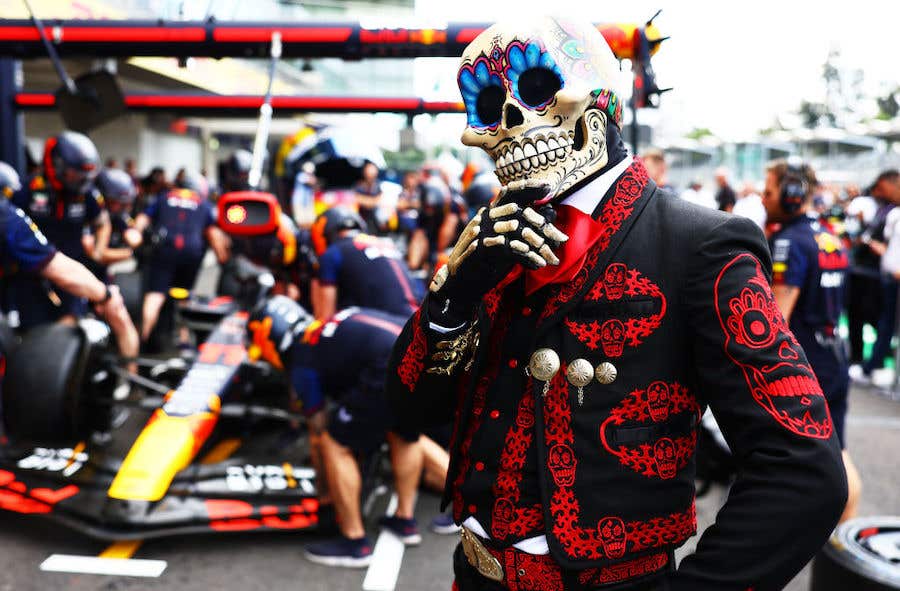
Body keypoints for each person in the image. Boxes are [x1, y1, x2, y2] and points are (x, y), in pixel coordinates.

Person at [388, 18, 845, 591]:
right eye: (487, 105)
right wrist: (454, 293)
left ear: (598, 101)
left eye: (533, 92)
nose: (508, 123)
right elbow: (406, 411)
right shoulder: (489, 237)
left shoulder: (698, 244)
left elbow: (803, 470)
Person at [243, 297, 426, 566]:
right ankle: (405, 520)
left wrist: (324, 496)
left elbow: (318, 433)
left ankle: (354, 541)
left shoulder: (303, 357)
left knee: (334, 444)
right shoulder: (333, 320)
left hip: (384, 367)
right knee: (405, 435)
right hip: (419, 353)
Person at [762, 158, 861, 523]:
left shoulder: (789, 241)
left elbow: (776, 317)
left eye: (769, 191)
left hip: (809, 367)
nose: (763, 197)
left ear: (790, 195)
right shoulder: (829, 236)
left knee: (795, 460)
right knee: (839, 451)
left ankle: (831, 538)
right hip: (835, 357)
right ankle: (842, 536)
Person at [0, 169, 133, 377]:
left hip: (75, 275)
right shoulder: (27, 193)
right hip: (37, 276)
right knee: (33, 336)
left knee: (105, 317)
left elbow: (103, 230)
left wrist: (103, 253)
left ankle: (128, 379)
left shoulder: (92, 200)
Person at [10, 132, 114, 330]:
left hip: (72, 273)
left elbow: (103, 223)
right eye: (75, 173)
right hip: (32, 276)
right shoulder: (28, 190)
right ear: (56, 165)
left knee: (69, 328)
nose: (81, 179)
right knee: (34, 331)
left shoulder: (88, 194)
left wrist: (99, 250)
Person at [133, 171, 228, 345]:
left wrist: (134, 233)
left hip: (164, 249)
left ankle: (140, 341)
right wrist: (224, 260)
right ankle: (185, 341)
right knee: (185, 295)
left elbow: (143, 218)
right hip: (191, 253)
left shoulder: (164, 197)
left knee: (155, 295)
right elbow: (213, 233)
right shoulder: (204, 204)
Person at [309, 207, 423, 320]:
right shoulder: (386, 243)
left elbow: (325, 318)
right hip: (417, 320)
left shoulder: (333, 253)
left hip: (389, 328)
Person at [847, 172, 896, 370]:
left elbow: (888, 245)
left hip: (878, 274)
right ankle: (862, 358)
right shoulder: (882, 208)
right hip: (865, 270)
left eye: (881, 188)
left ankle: (878, 359)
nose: (878, 193)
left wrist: (869, 242)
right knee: (857, 316)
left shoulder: (891, 211)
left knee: (877, 318)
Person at [83, 168, 143, 281]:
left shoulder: (118, 215)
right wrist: (129, 253)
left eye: (126, 203)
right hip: (82, 272)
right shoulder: (87, 216)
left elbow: (134, 236)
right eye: (118, 202)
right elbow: (97, 255)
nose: (123, 207)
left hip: (101, 274)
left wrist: (136, 237)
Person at [354, 161, 383, 234]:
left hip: (376, 224)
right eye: (368, 170)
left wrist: (365, 201)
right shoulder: (358, 186)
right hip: (361, 221)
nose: (370, 173)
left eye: (373, 170)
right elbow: (356, 198)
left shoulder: (380, 186)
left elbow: (380, 200)